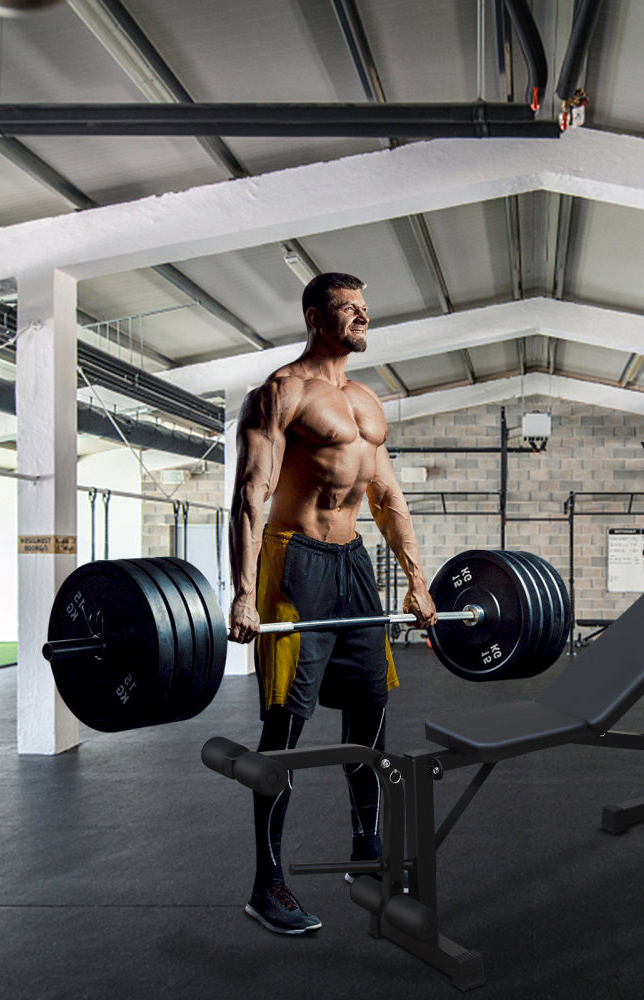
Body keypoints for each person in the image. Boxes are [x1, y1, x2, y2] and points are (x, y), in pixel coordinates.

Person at [227, 272, 437, 935]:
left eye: (365, 310)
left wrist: (416, 579)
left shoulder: (368, 402)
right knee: (284, 727)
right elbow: (250, 495)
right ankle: (268, 883)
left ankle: (366, 848)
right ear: (317, 317)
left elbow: (388, 498)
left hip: (352, 566)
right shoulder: (282, 392)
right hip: (294, 565)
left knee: (370, 712)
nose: (362, 319)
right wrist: (240, 589)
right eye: (349, 309)